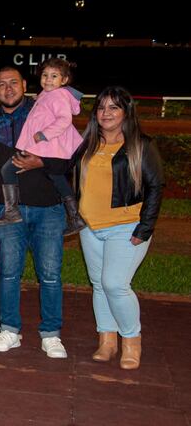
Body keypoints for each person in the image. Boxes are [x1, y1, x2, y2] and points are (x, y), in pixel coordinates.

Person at [0, 66, 69, 359]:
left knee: (50, 275)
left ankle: (51, 334)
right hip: (6, 209)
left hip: (48, 208)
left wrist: (42, 163)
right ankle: (10, 329)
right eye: (1, 84)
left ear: (24, 85)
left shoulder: (46, 111)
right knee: (9, 273)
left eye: (13, 83)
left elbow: (69, 158)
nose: (8, 88)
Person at [75, 86, 163, 370]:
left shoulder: (140, 145)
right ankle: (107, 341)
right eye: (101, 107)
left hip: (126, 226)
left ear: (126, 112)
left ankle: (131, 341)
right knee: (99, 284)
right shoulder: (87, 144)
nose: (106, 113)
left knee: (115, 284)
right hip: (91, 227)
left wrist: (145, 227)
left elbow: (155, 187)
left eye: (113, 107)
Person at [0, 58, 85, 236]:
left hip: (49, 144)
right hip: (48, 146)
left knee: (8, 169)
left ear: (64, 80)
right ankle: (75, 217)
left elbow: (64, 119)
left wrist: (45, 133)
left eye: (54, 76)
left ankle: (12, 212)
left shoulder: (58, 95)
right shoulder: (48, 93)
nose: (48, 79)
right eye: (45, 75)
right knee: (57, 177)